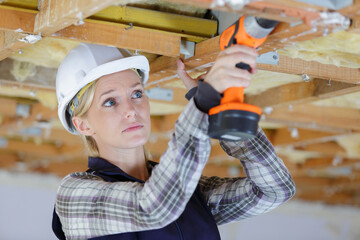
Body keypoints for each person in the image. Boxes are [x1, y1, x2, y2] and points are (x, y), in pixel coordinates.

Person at [52, 43, 296, 240]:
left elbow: (275, 190)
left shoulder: (188, 192)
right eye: (110, 101)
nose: (131, 110)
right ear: (83, 125)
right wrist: (202, 103)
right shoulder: (73, 197)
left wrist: (222, 111)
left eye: (137, 94)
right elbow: (154, 207)